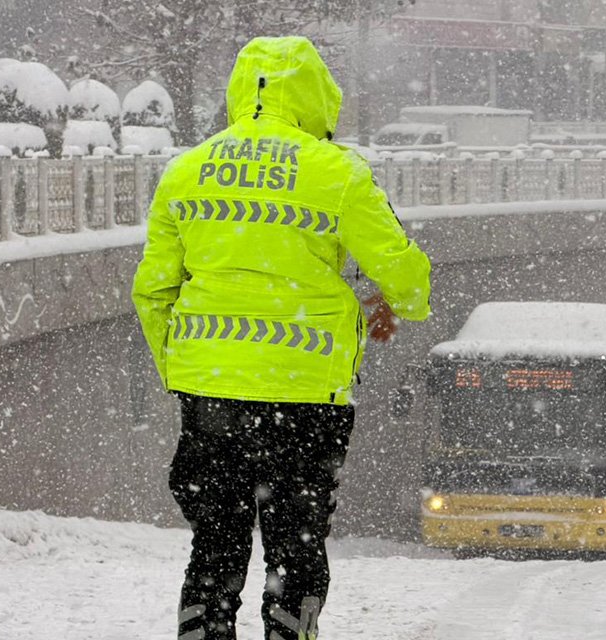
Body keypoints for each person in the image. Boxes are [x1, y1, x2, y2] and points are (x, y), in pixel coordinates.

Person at [132, 36, 431, 640]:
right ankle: (289, 626)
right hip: (305, 392)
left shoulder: (186, 172)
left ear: (241, 90)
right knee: (297, 535)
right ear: (318, 94)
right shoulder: (338, 173)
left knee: (216, 534)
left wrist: (180, 365)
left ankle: (204, 626)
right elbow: (401, 271)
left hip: (210, 391)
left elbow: (153, 290)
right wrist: (408, 303)